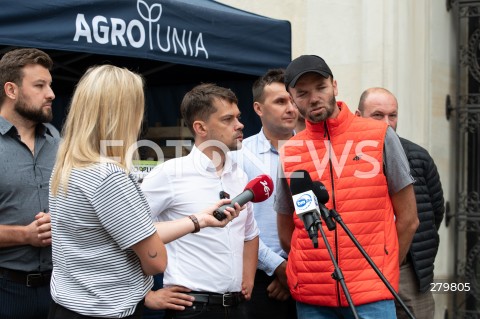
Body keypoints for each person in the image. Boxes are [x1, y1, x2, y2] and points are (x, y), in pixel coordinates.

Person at [48, 66, 241, 318]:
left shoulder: (66, 166)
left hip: (70, 305)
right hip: (104, 311)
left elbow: (131, 233)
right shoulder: (109, 177)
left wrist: (198, 220)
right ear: (123, 114)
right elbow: (155, 260)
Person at [275, 55, 419, 319]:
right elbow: (286, 230)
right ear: (293, 100)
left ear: (335, 86)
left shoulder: (379, 135)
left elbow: (409, 219)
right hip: (313, 298)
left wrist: (384, 268)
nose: (314, 98)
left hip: (372, 295)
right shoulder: (291, 151)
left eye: (321, 87)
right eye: (303, 93)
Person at [141, 83, 260, 319]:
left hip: (238, 307)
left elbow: (250, 233)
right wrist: (146, 295)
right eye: (228, 119)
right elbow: (125, 233)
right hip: (192, 308)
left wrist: (248, 278)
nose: (240, 125)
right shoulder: (169, 174)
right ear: (200, 127)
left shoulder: (239, 175)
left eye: (238, 117)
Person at [356, 87, 445, 319]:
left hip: (409, 271)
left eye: (392, 115)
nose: (387, 123)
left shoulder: (419, 156)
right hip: (361, 271)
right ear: (358, 116)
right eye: (378, 115)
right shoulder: (346, 158)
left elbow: (434, 212)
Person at [0, 48, 59, 319]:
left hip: (61, 289)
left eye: (50, 85)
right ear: (11, 90)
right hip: (6, 292)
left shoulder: (59, 142)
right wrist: (24, 235)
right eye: (39, 85)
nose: (51, 94)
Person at [234, 69, 298, 318]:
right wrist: (278, 267)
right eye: (281, 101)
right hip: (259, 279)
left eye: (293, 100)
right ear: (259, 109)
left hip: (309, 273)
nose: (291, 108)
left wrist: (292, 270)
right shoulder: (238, 155)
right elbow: (237, 223)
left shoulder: (315, 151)